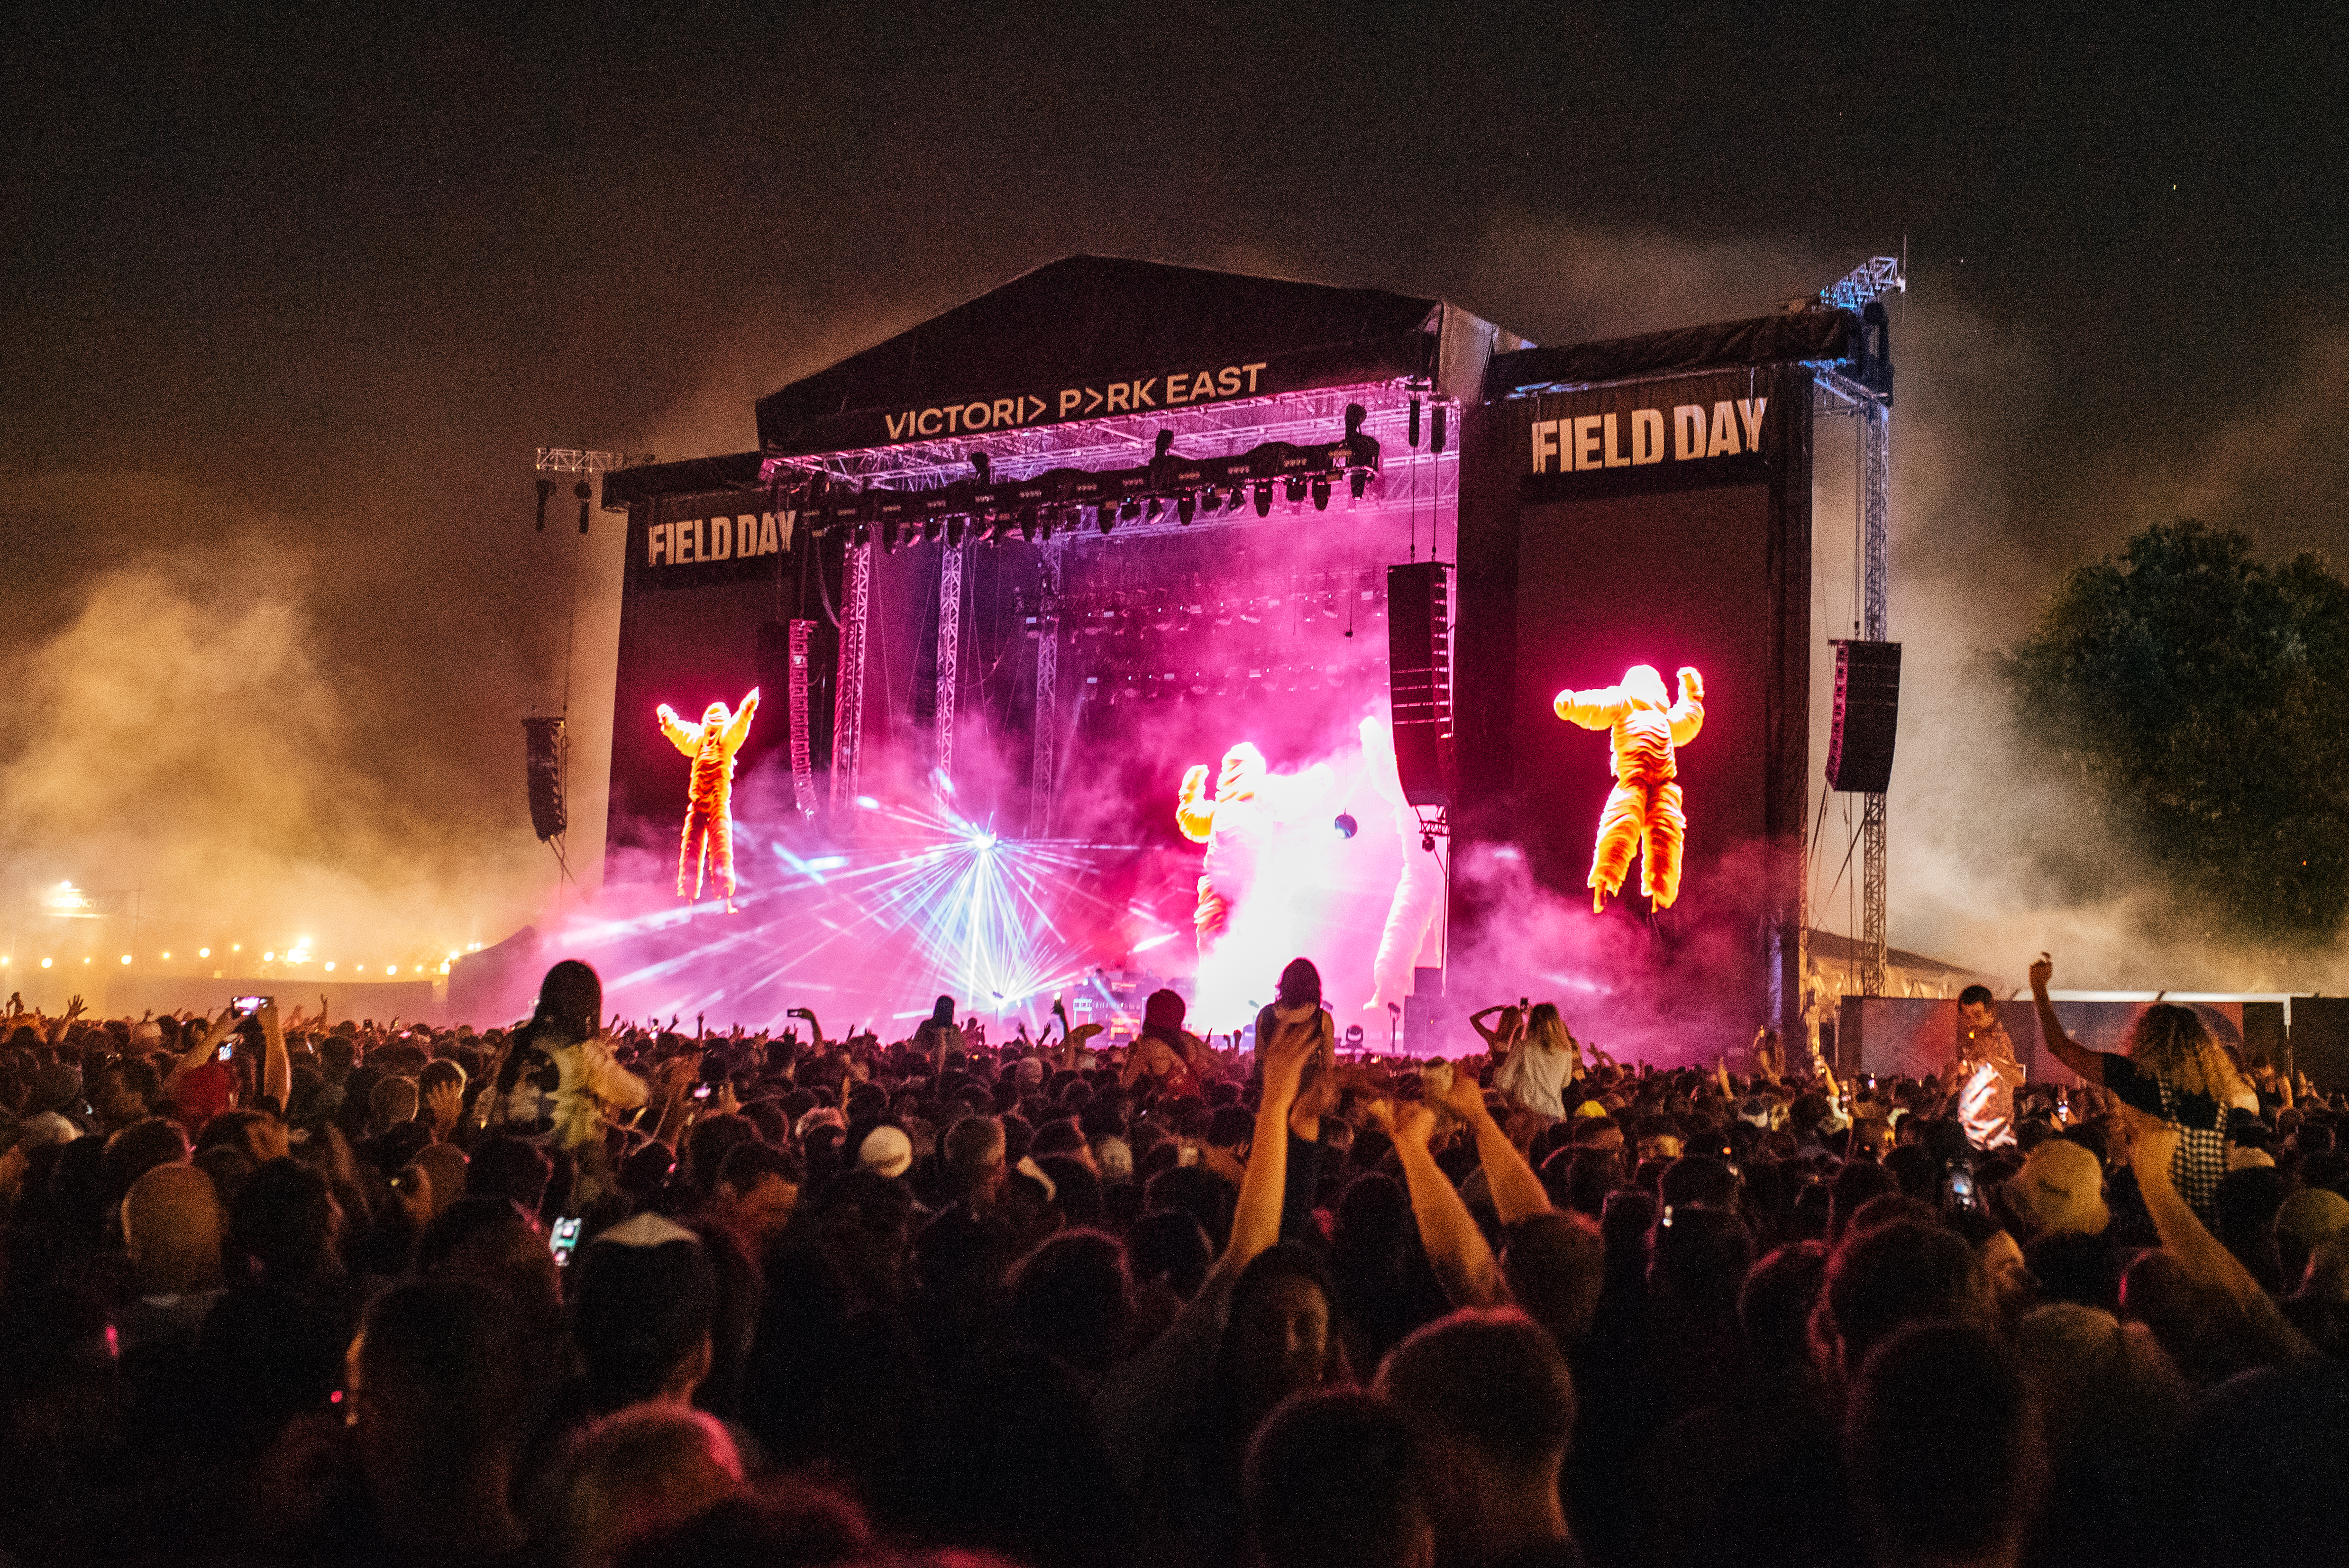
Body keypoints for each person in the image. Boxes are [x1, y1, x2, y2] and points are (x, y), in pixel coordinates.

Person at [2031, 954, 2245, 1223]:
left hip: (2150, 1219)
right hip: (2204, 1227)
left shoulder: (2140, 1082)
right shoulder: (2221, 1103)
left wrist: (2039, 989)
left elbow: (2061, 1047)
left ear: (2149, 1041)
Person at [1553, 662, 1705, 913]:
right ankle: (1618, 882)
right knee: (1632, 823)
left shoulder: (1663, 719)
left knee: (1652, 826)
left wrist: (1692, 694)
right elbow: (1598, 705)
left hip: (1659, 782)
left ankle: (1651, 888)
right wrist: (1571, 705)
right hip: (1638, 780)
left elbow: (1687, 721)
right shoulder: (1626, 703)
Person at [656, 687, 760, 910]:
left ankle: (721, 894)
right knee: (694, 846)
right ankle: (691, 893)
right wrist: (669, 720)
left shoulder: (722, 740)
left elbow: (737, 727)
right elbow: (680, 732)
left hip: (717, 802)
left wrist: (747, 709)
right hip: (699, 802)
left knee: (719, 844)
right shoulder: (701, 739)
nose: (712, 732)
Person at [1947, 985, 2025, 1149]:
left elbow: (2018, 1079)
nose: (1972, 1021)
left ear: (1991, 1011)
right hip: (1976, 1133)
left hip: (1993, 1136)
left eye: (1977, 1015)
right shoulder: (1977, 1040)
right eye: (1967, 1017)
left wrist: (1991, 1059)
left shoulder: (1998, 1041)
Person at [1495, 1003, 1581, 1121]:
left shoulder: (1523, 1047)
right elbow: (1566, 1083)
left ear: (1532, 1022)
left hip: (1527, 1115)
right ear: (1557, 1023)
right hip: (1555, 1114)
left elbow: (1503, 1082)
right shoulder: (1566, 1050)